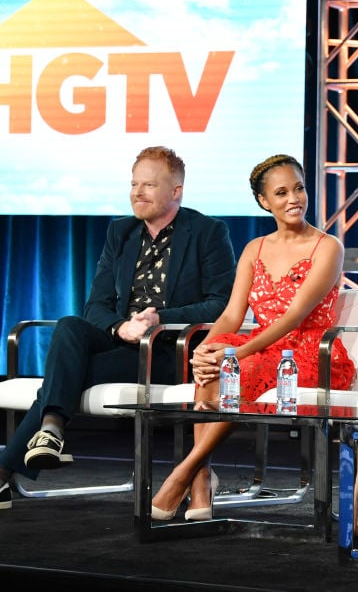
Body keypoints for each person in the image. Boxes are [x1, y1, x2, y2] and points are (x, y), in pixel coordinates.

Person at [0, 146, 235, 511]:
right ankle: (48, 431)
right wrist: (121, 327)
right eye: (134, 184)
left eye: (149, 185)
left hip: (170, 350)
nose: (137, 193)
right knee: (70, 326)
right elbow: (95, 306)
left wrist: (161, 318)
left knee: (67, 375)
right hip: (124, 341)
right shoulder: (120, 232)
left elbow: (221, 303)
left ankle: (19, 456)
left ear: (176, 192)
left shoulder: (207, 232)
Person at [150, 154, 355, 521]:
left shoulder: (328, 247)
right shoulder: (254, 248)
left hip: (309, 352)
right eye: (281, 192)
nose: (294, 198)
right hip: (259, 346)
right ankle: (200, 485)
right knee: (214, 363)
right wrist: (205, 350)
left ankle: (186, 472)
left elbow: (295, 317)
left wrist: (235, 352)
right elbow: (231, 314)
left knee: (230, 365)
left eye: (299, 188)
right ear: (264, 202)